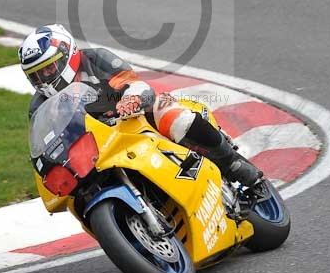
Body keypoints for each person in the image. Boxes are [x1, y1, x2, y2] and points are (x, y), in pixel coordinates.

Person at [18, 23, 261, 187]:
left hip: (135, 117)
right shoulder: (38, 106)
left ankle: (230, 162)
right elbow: (45, 143)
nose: (44, 79)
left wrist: (129, 101)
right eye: (36, 75)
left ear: (67, 53)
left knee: (170, 112)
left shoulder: (95, 59)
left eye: (48, 68)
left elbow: (135, 84)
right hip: (98, 145)